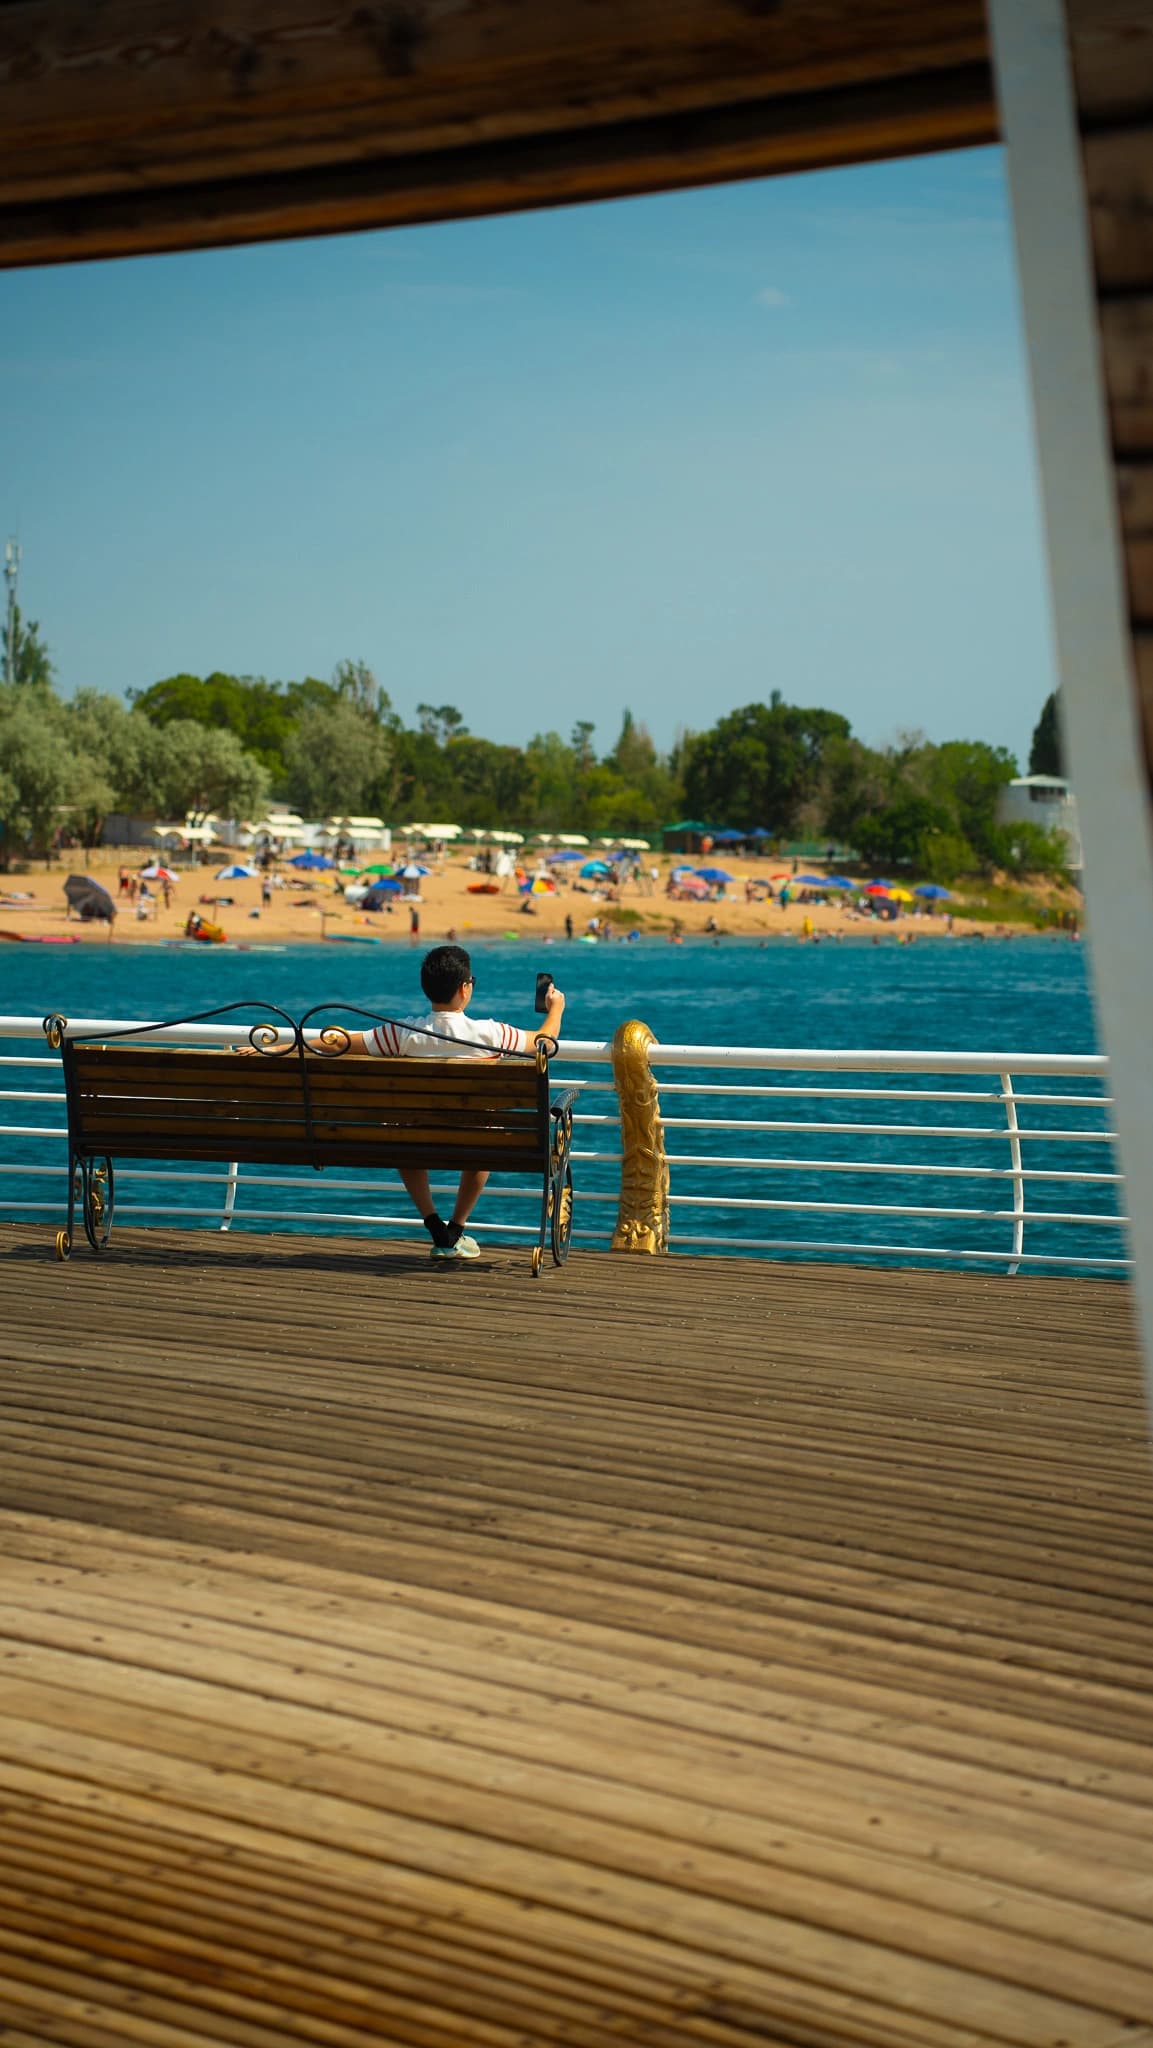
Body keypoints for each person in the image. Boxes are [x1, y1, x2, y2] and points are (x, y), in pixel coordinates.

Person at [329, 945, 566, 1263]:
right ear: (464, 988)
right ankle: (456, 1227)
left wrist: (282, 1045)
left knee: (405, 1134)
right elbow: (544, 1043)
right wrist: (557, 1008)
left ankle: (435, 1224)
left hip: (418, 1138)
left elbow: (341, 1042)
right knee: (486, 1129)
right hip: (481, 1141)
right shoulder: (491, 1034)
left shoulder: (403, 1034)